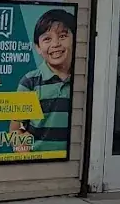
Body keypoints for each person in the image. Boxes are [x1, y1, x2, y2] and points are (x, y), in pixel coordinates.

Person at [9, 8, 75, 156]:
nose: (56, 44)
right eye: (47, 39)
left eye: (63, 36)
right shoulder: (29, 82)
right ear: (37, 48)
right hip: (37, 163)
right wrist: (23, 148)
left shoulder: (84, 80)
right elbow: (15, 130)